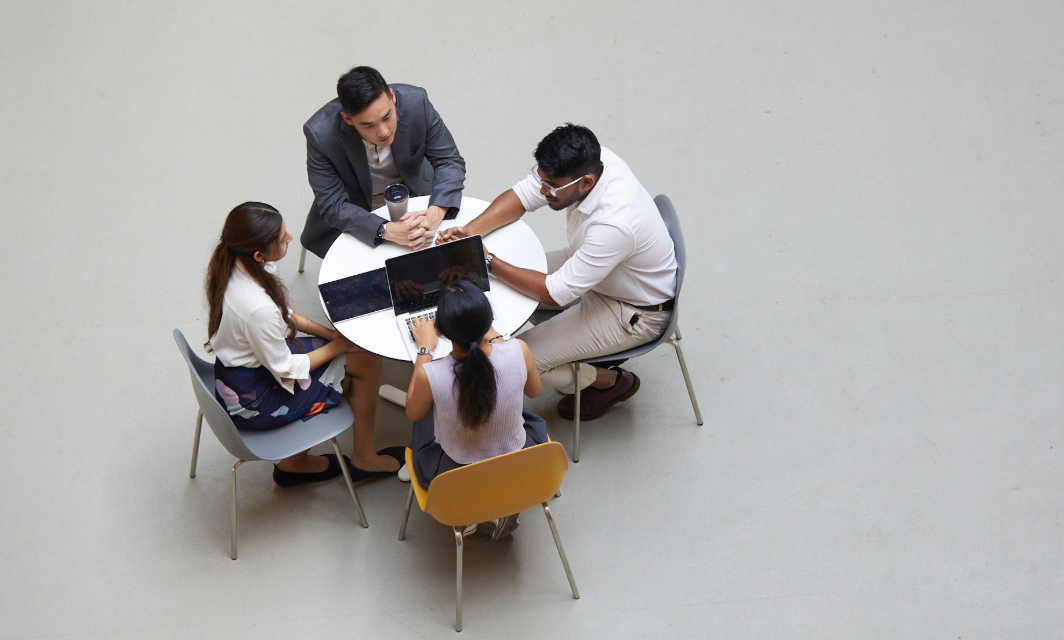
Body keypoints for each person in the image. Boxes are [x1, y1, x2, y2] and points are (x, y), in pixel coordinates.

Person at [436, 124, 677, 421]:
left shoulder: (614, 224)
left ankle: (607, 382)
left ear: (586, 182)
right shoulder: (597, 161)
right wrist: (469, 235)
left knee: (514, 363)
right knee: (492, 282)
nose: (542, 190)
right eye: (541, 178)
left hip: (630, 311)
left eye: (551, 185)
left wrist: (487, 261)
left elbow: (556, 291)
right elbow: (524, 195)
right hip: (599, 272)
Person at [206, 202, 402, 486]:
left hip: (238, 372)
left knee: (359, 360)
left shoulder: (236, 264)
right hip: (255, 399)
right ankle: (359, 459)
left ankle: (304, 460)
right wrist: (339, 346)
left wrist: (330, 335)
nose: (290, 238)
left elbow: (282, 313)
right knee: (365, 365)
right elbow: (285, 368)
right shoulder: (256, 308)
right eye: (282, 239)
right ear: (259, 253)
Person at [405, 280, 547, 539]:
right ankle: (502, 505)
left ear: (442, 330)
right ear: (488, 320)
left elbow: (413, 412)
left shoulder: (432, 374)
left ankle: (469, 513)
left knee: (423, 414)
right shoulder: (519, 350)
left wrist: (424, 349)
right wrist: (491, 333)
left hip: (455, 476)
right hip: (519, 461)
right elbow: (535, 392)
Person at [300, 66, 466, 257]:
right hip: (358, 206)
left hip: (416, 189)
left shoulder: (416, 103)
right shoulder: (319, 134)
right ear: (348, 119)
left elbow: (450, 161)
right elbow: (333, 205)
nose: (383, 132)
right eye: (369, 126)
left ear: (393, 97)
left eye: (387, 117)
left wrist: (433, 216)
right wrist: (388, 231)